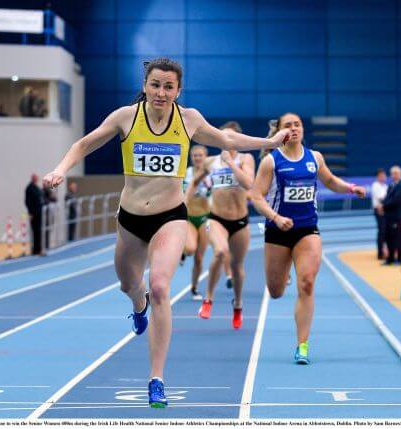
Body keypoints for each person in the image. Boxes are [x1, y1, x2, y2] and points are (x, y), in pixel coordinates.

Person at [43, 57, 289, 408]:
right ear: (145, 85)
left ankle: (156, 379)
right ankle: (137, 303)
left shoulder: (188, 120)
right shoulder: (125, 117)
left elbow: (228, 138)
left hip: (171, 217)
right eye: (155, 84)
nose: (161, 92)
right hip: (130, 219)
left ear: (178, 90)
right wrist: (60, 170)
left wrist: (270, 143)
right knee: (129, 284)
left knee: (161, 286)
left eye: (168, 86)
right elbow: (83, 144)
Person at [250, 112, 365, 365]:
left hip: (307, 230)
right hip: (278, 231)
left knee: (307, 283)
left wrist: (349, 188)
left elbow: (330, 180)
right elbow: (256, 196)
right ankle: (284, 273)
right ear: (280, 131)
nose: (294, 128)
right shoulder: (271, 161)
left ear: (303, 129)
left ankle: (302, 345)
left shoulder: (315, 158)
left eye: (298, 124)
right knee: (276, 291)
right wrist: (276, 217)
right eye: (288, 125)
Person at [193, 121, 255, 329]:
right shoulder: (210, 162)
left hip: (239, 221)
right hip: (215, 219)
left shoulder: (246, 158)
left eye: (230, 137)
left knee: (237, 267)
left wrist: (230, 163)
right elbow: (194, 181)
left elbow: (248, 184)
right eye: (222, 137)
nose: (226, 141)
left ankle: (237, 304)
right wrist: (184, 201)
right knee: (220, 252)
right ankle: (208, 299)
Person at [181, 145, 212, 300]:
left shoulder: (211, 174)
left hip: (205, 218)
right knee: (190, 248)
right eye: (195, 155)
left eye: (200, 155)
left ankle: (194, 288)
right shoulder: (185, 174)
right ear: (191, 157)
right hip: (189, 218)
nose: (198, 158)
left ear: (206, 156)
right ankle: (183, 252)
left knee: (199, 259)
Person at [378, 165, 401, 265]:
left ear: (400, 174)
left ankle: (400, 258)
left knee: (397, 237)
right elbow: (387, 198)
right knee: (388, 237)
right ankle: (390, 258)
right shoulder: (391, 186)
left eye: (396, 173)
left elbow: (396, 201)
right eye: (393, 173)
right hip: (388, 216)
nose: (394, 175)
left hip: (396, 216)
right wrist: (382, 205)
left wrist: (384, 206)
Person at [25, 174, 44, 255]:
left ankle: (38, 249)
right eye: (36, 178)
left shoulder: (37, 188)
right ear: (33, 179)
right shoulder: (29, 188)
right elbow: (27, 201)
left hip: (39, 212)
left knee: (39, 232)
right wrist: (30, 213)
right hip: (34, 213)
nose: (37, 179)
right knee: (35, 231)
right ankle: (36, 250)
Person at [371, 168, 388, 260]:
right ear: (378, 177)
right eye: (381, 176)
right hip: (379, 210)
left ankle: (385, 250)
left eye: (384, 175)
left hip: (385, 210)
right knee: (381, 231)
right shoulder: (375, 185)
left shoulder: (385, 186)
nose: (383, 177)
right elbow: (381, 198)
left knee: (385, 231)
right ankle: (380, 253)